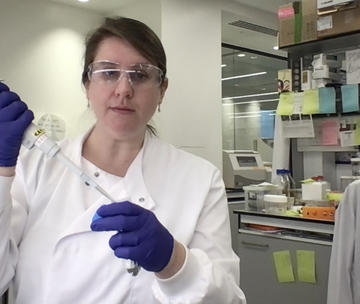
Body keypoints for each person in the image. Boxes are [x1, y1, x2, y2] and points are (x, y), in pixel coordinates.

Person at [0, 17, 246, 303]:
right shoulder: (33, 168)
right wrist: (3, 170)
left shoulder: (200, 179)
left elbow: (229, 299)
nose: (123, 90)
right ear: (86, 85)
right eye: (108, 72)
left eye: (140, 75)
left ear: (162, 90)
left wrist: (174, 262)